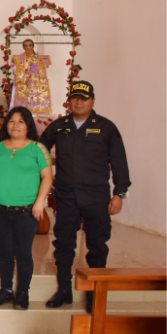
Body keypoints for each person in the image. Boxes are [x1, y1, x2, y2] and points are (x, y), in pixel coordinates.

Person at [39, 80, 131, 313]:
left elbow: (119, 162)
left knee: (97, 245)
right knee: (63, 245)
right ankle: (64, 290)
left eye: (84, 97)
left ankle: (94, 293)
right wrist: (44, 181)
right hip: (67, 197)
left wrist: (119, 193)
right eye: (74, 97)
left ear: (92, 100)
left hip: (96, 198)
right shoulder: (59, 126)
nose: (79, 102)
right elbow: (39, 152)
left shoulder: (106, 127)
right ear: (69, 101)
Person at [0, 106, 53, 310]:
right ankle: (6, 290)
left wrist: (40, 201)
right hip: (0, 210)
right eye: (12, 121)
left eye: (21, 121)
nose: (15, 125)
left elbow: (47, 177)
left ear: (28, 125)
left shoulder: (38, 149)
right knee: (5, 252)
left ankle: (22, 292)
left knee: (23, 253)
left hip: (27, 210)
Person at [10, 39, 52, 114]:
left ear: (33, 46)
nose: (28, 47)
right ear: (23, 47)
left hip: (36, 85)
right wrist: (24, 67)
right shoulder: (18, 58)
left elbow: (45, 70)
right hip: (23, 84)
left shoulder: (41, 58)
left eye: (30, 45)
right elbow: (14, 71)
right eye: (26, 45)